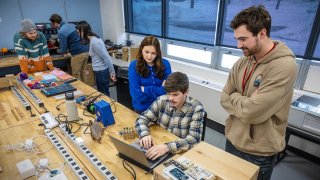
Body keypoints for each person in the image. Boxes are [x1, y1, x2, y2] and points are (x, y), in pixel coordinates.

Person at [220, 5, 297, 180]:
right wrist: (244, 101)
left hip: (258, 151)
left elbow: (251, 112)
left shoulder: (284, 66)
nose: (238, 44)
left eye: (243, 39)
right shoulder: (242, 61)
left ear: (262, 33)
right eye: (237, 38)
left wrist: (235, 98)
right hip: (232, 139)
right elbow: (224, 98)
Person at [135, 72, 205, 160]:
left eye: (175, 95)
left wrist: (167, 147)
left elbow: (194, 139)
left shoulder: (196, 108)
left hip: (180, 154)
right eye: (168, 94)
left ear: (186, 92)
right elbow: (142, 119)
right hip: (159, 145)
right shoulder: (161, 100)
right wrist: (144, 134)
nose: (170, 98)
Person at [128, 36, 172, 113]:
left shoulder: (165, 64)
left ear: (157, 53)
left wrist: (144, 89)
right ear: (142, 49)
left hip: (161, 109)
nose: (149, 56)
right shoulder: (133, 66)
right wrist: (159, 91)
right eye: (146, 52)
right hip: (141, 110)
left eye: (153, 53)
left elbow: (167, 91)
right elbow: (137, 96)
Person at [76, 21, 116, 96]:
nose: (78, 35)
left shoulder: (95, 42)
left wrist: (112, 72)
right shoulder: (94, 39)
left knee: (104, 95)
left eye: (78, 32)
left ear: (83, 31)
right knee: (102, 94)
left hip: (101, 71)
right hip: (99, 71)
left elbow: (107, 58)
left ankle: (106, 107)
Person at [49, 14, 89, 82]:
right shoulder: (72, 25)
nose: (51, 25)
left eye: (52, 24)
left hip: (77, 53)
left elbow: (64, 50)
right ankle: (87, 90)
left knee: (76, 74)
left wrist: (57, 50)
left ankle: (81, 91)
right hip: (86, 51)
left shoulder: (61, 31)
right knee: (83, 72)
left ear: (55, 23)